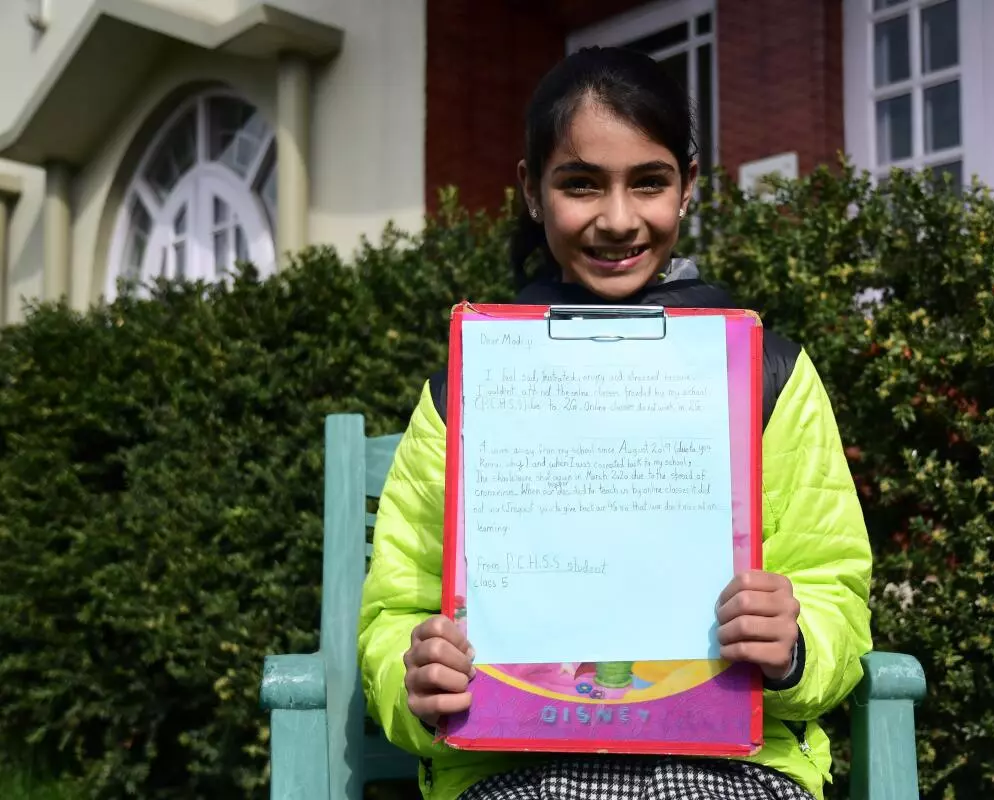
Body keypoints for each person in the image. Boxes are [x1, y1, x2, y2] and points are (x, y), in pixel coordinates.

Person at [358, 46, 872, 800]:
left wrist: (794, 645)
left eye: (649, 183)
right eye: (581, 185)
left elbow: (834, 586)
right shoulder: (472, 385)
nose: (619, 219)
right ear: (532, 192)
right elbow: (395, 611)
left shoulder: (765, 373)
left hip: (731, 768)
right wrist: (415, 672)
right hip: (518, 768)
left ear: (688, 188)